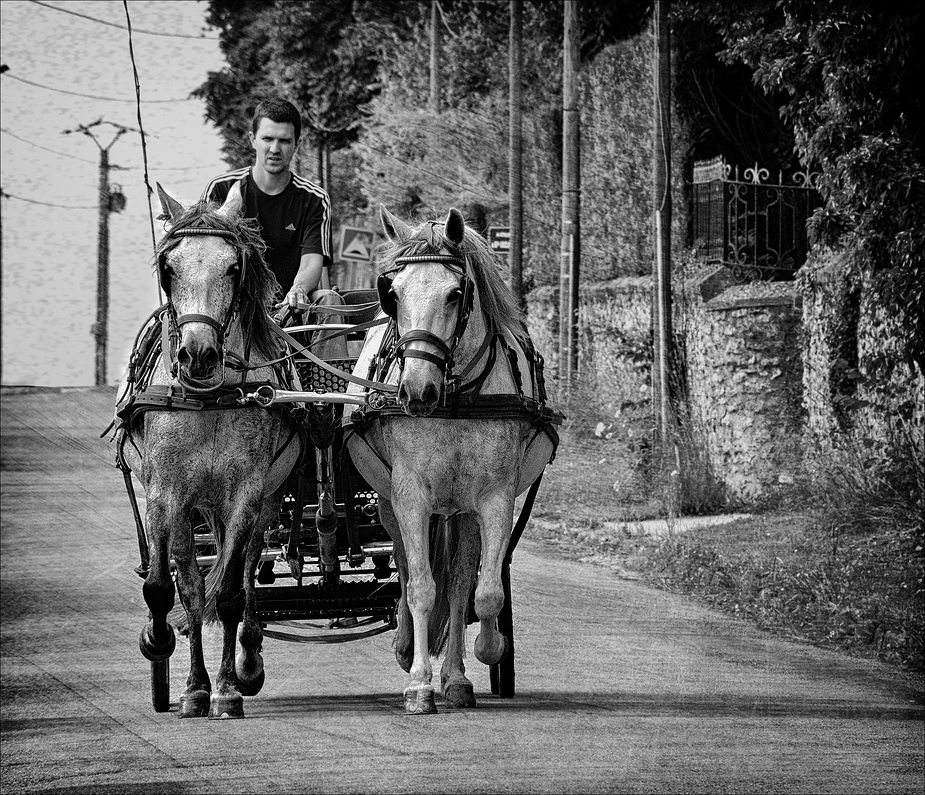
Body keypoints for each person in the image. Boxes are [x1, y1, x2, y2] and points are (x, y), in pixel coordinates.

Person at [200, 98, 336, 316]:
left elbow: (312, 260)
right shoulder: (220, 189)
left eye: (284, 141)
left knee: (329, 298)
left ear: (297, 144)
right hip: (233, 313)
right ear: (253, 140)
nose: (274, 149)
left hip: (292, 310)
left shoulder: (315, 199)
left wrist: (298, 290)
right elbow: (204, 255)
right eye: (267, 139)